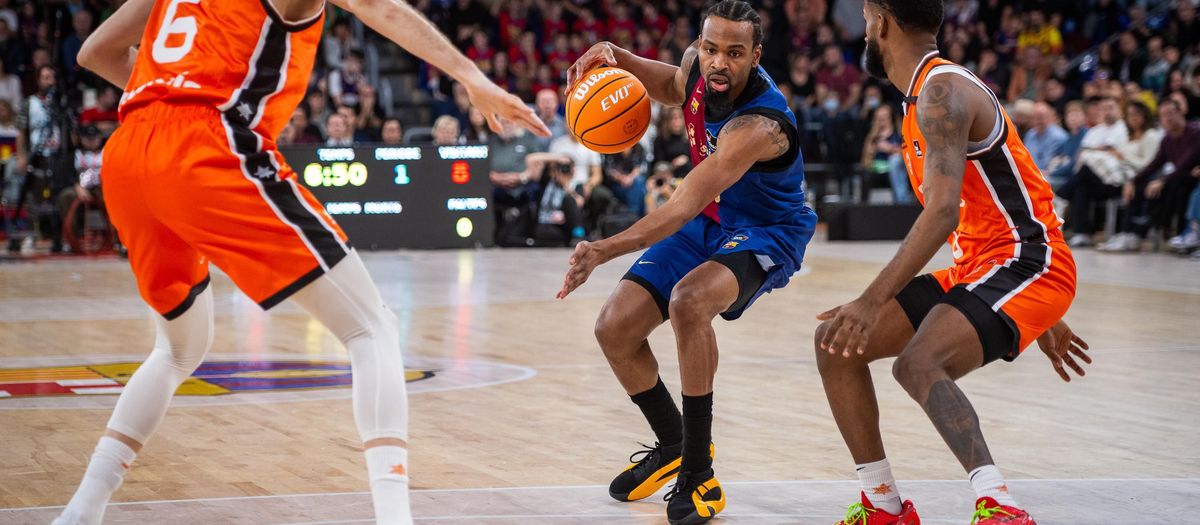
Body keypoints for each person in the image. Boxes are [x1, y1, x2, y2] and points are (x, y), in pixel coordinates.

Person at [55, 1, 548, 525]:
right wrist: (471, 76)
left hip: (130, 149)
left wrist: (169, 87)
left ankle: (82, 511)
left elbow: (94, 52)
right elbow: (376, 4)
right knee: (372, 326)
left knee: (178, 349)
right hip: (206, 142)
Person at [816, 2, 1091, 525]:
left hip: (1028, 262)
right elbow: (1000, 196)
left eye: (868, 17)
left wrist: (871, 301)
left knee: (918, 363)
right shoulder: (921, 95)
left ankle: (1002, 505)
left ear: (881, 23)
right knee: (836, 347)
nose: (865, 29)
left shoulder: (942, 91)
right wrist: (1043, 317)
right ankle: (884, 505)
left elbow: (942, 214)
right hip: (986, 268)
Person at [558, 2, 817, 523]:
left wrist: (603, 249)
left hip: (765, 231)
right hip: (711, 222)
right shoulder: (699, 63)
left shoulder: (759, 125)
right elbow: (676, 87)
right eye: (711, 48)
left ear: (756, 56)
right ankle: (672, 444)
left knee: (690, 302)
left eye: (735, 53)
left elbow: (680, 206)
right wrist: (618, 58)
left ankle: (697, 471)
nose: (718, 62)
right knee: (614, 329)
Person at [1057, 101, 1160, 247]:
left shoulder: (1150, 135)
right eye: (1130, 115)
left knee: (1086, 170)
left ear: (1145, 115)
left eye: (1136, 114)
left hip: (1133, 179)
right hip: (1118, 177)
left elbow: (1149, 165)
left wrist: (1122, 156)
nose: (1133, 118)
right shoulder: (1130, 135)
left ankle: (1060, 196)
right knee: (1082, 187)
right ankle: (1082, 233)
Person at [1102, 99, 1200, 252]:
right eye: (1163, 115)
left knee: (1174, 186)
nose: (1168, 118)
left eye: (1171, 113)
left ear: (1181, 113)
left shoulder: (1195, 132)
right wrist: (1132, 181)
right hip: (1178, 178)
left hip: (1191, 179)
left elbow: (1187, 163)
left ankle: (1173, 231)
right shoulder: (1167, 140)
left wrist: (1162, 180)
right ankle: (1130, 234)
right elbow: (1154, 165)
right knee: (1140, 186)